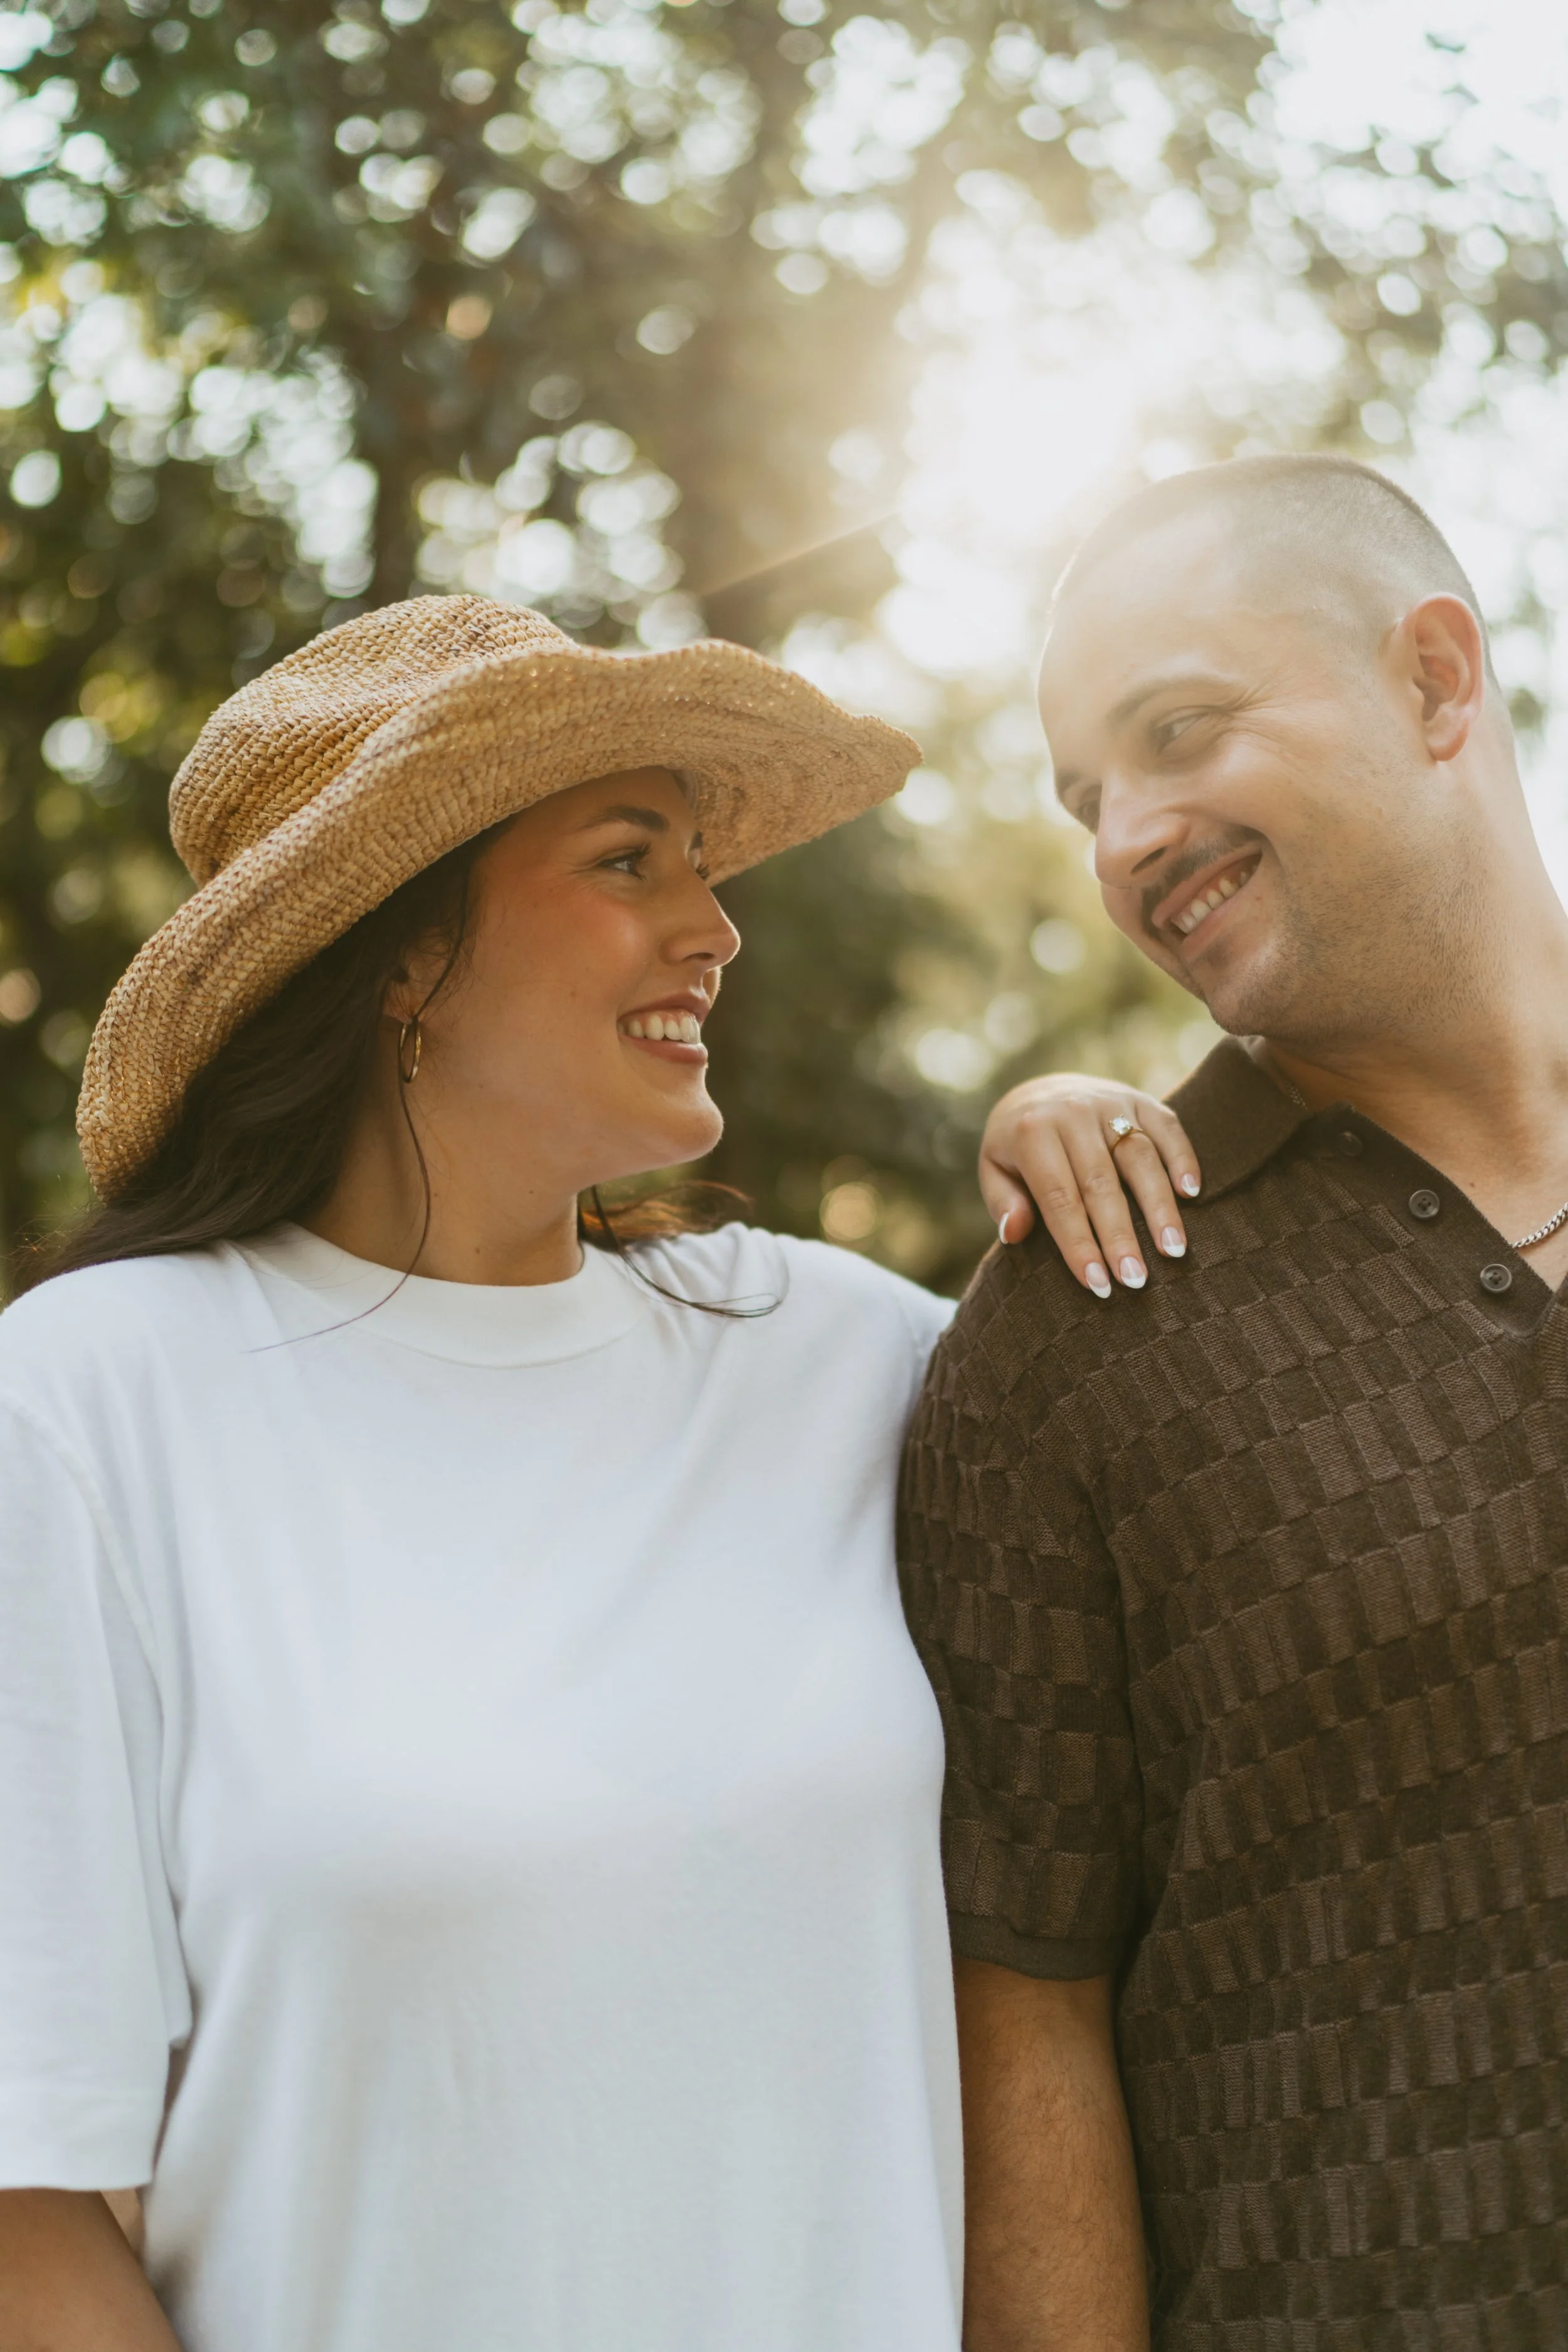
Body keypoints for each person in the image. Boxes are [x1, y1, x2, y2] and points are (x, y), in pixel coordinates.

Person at [0, 593, 1195, 2352]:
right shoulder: (96, 1403)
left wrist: (1083, 1134)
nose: (714, 925)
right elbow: (28, 2214)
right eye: (629, 859)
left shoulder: (847, 1354)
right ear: (402, 946)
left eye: (701, 864)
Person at [899, 453, 1568, 2350]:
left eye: (1177, 732)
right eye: (1084, 795)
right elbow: (1024, 2017)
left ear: (1435, 681)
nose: (1123, 837)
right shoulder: (1068, 1336)